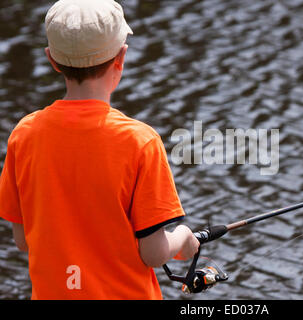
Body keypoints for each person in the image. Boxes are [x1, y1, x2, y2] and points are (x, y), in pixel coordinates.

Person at [0, 0, 199, 300]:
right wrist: (184, 238)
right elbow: (154, 253)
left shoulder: (24, 135)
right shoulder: (140, 142)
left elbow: (23, 239)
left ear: (52, 60)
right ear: (121, 57)